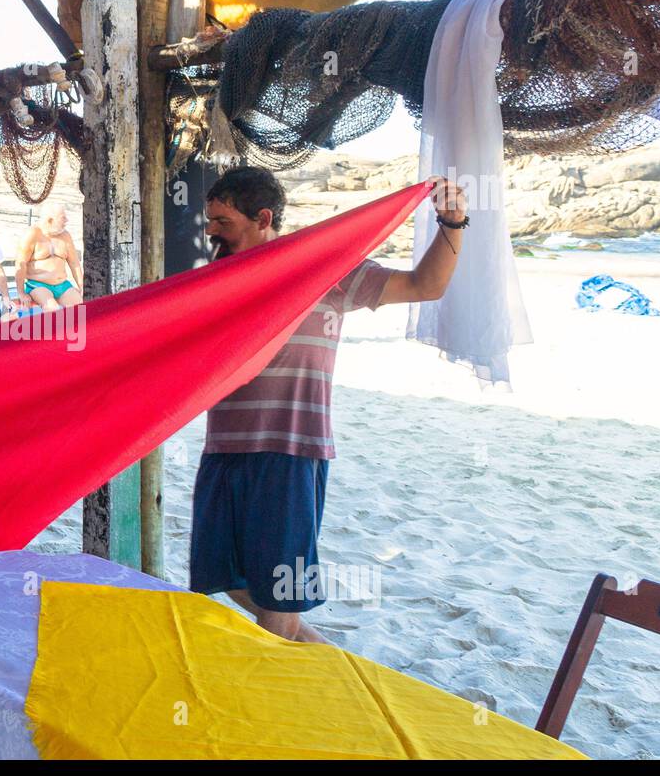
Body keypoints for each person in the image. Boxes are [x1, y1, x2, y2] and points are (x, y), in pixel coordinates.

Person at [191, 168, 468, 644]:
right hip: (224, 447)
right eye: (209, 220)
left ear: (263, 219)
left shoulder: (325, 270)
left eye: (223, 221)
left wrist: (453, 223)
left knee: (282, 592)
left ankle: (281, 685)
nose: (211, 231)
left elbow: (426, 286)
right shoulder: (216, 279)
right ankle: (321, 657)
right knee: (225, 575)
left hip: (292, 449)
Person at [15, 204, 83, 311]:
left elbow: (74, 263)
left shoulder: (66, 236)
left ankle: (73, 328)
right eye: (63, 218)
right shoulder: (32, 234)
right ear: (50, 220)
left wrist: (81, 286)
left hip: (62, 284)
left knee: (79, 307)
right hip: (38, 285)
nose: (67, 220)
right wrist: (21, 292)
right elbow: (21, 263)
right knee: (52, 308)